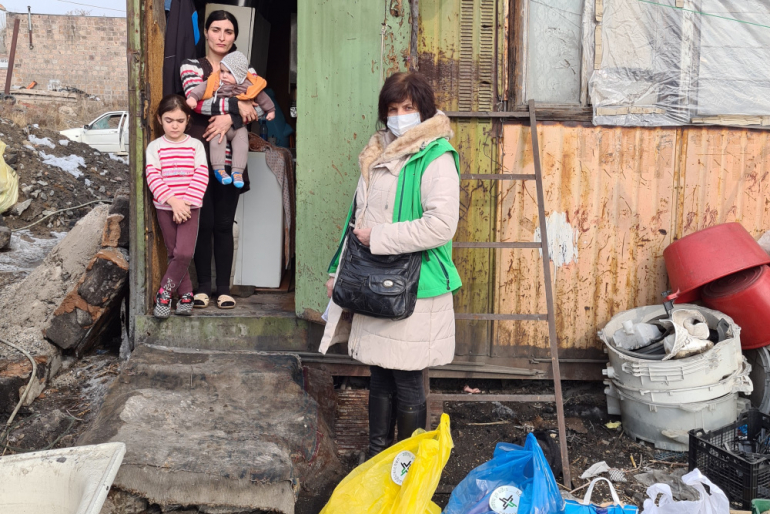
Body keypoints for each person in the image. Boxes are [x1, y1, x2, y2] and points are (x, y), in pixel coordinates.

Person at [319, 72, 462, 458]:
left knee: (410, 378)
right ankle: (378, 456)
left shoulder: (435, 156)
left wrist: (379, 238)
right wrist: (339, 272)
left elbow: (441, 225)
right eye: (393, 109)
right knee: (379, 374)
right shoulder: (377, 152)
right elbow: (356, 218)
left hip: (417, 286)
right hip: (373, 281)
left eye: (409, 108)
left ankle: (406, 462)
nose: (400, 116)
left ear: (424, 111)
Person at [180, 10, 258, 310]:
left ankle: (224, 289)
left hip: (231, 160)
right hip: (199, 157)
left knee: (225, 224)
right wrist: (236, 109)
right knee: (203, 223)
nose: (222, 36)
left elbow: (260, 109)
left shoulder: (243, 67)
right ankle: (202, 288)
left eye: (228, 31)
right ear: (206, 32)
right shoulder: (192, 66)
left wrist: (232, 117)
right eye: (216, 30)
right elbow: (195, 101)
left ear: (235, 36)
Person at [145, 94, 208, 319]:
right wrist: (173, 201)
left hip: (190, 207)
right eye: (169, 120)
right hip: (165, 206)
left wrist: (185, 204)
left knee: (184, 252)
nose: (174, 125)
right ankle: (186, 294)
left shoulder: (195, 146)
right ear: (159, 118)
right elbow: (153, 176)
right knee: (173, 253)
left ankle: (164, 293)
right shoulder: (155, 147)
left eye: (180, 121)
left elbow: (201, 174)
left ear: (187, 120)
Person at [185, 50, 275, 188]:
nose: (224, 76)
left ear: (239, 74)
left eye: (229, 73)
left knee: (242, 146)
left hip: (238, 127)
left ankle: (237, 172)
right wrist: (192, 98)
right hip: (217, 124)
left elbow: (262, 99)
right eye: (222, 71)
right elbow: (201, 89)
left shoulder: (249, 85)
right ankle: (219, 169)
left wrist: (271, 110)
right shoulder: (215, 81)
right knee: (216, 142)